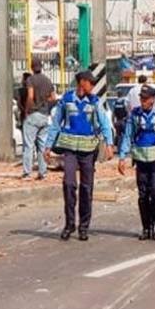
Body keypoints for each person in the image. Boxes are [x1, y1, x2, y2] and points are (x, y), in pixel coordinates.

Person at [44, 70, 114, 242]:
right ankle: (69, 224)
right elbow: (55, 124)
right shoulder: (66, 100)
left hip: (88, 149)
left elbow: (104, 123)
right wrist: (47, 146)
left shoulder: (95, 101)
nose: (92, 85)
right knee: (68, 184)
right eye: (90, 82)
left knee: (86, 187)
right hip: (69, 148)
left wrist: (109, 144)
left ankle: (84, 226)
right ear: (82, 82)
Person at [119, 86, 155, 241]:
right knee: (143, 194)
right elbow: (127, 135)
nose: (142, 101)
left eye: (145, 99)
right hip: (141, 156)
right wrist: (122, 156)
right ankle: (146, 227)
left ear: (152, 99)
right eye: (141, 98)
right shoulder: (135, 115)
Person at [22, 61, 55, 180]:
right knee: (42, 146)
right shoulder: (47, 80)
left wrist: (27, 110)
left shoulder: (30, 80)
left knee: (28, 145)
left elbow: (30, 96)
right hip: (44, 116)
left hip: (33, 114)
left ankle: (27, 172)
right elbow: (53, 98)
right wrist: (44, 102)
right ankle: (43, 172)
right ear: (41, 67)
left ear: (32, 68)